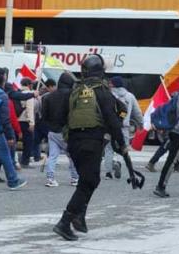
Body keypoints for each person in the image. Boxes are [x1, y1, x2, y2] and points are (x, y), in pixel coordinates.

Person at [53, 54, 125, 241]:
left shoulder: (75, 90)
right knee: (88, 182)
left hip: (74, 143)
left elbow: (60, 117)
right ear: (101, 72)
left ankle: (79, 217)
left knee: (89, 179)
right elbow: (113, 121)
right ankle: (65, 221)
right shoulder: (103, 91)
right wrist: (122, 144)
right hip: (92, 141)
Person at [41, 72, 79, 187]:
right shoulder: (73, 95)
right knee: (72, 155)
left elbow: (44, 115)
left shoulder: (48, 96)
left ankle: (50, 178)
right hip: (68, 130)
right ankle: (74, 178)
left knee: (53, 155)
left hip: (52, 130)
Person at [103, 76, 142, 180]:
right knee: (123, 147)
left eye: (110, 83)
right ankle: (118, 162)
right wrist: (141, 124)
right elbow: (137, 112)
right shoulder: (130, 96)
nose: (109, 85)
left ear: (114, 84)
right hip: (124, 127)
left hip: (110, 127)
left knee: (108, 149)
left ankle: (108, 173)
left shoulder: (108, 95)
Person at [32, 79, 56, 164]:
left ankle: (40, 156)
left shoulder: (44, 96)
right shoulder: (47, 96)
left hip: (42, 120)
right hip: (43, 121)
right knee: (45, 140)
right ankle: (42, 157)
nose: (43, 89)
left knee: (41, 140)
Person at [17, 78, 37, 168]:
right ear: (29, 85)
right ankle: (25, 162)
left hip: (16, 120)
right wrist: (31, 123)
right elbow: (29, 109)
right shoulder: (29, 95)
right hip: (25, 121)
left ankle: (15, 161)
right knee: (28, 142)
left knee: (15, 141)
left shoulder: (17, 93)